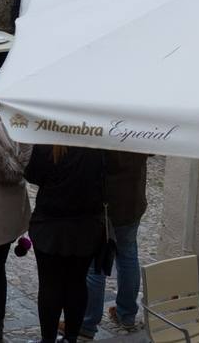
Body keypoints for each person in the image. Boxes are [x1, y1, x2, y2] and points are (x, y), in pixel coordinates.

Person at [25, 145, 108, 343]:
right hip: (85, 226)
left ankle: (48, 340)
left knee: (49, 286)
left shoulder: (48, 143)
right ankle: (71, 338)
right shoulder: (95, 145)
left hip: (51, 225)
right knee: (77, 283)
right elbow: (105, 177)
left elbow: (32, 174)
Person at [81, 152, 148, 337]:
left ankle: (87, 323)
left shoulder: (107, 126)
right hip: (131, 200)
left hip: (105, 202)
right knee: (128, 255)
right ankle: (126, 314)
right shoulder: (142, 125)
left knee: (95, 265)